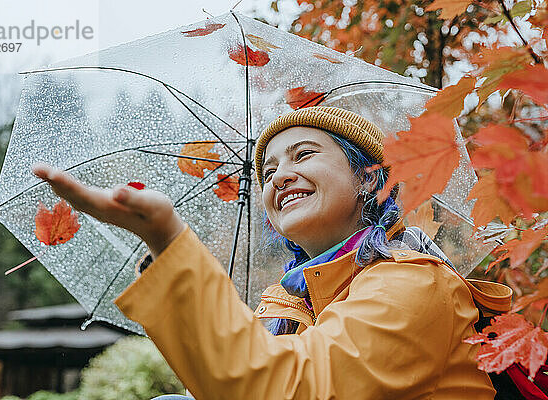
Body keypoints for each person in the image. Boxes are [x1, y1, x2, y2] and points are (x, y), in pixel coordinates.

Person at [33, 106, 512, 399]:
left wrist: (168, 240)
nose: (279, 176)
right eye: (267, 171)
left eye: (304, 155)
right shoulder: (282, 304)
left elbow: (287, 390)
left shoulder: (416, 284)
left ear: (368, 178)